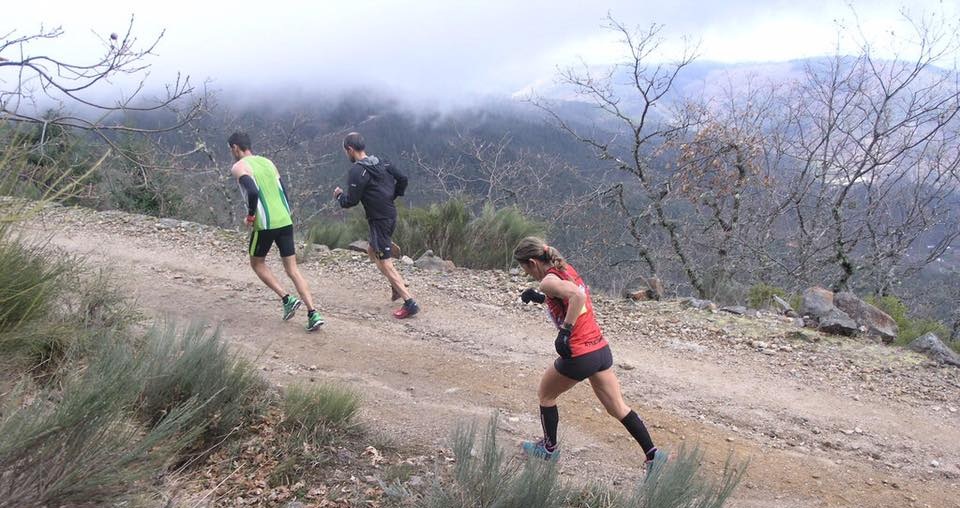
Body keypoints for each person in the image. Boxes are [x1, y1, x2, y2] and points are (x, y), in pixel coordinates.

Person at [514, 236, 665, 471]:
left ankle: (549, 450)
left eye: (525, 268)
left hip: (580, 353)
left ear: (533, 262)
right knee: (617, 407)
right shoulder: (565, 269)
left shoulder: (548, 280)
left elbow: (578, 297)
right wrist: (539, 298)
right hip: (600, 350)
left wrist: (565, 332)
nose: (527, 274)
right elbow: (569, 297)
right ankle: (654, 456)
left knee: (546, 395)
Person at [228, 132, 324, 331]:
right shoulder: (268, 162)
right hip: (284, 219)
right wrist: (286, 211)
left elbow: (252, 191)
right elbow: (283, 189)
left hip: (265, 224)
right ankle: (313, 313)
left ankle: (287, 298)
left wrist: (251, 215)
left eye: (231, 149)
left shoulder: (239, 167)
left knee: (257, 263)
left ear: (236, 148)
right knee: (293, 269)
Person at [334, 132, 420, 319]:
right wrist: (393, 195)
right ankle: (395, 286)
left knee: (386, 262)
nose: (346, 154)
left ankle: (409, 302)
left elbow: (351, 201)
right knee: (372, 251)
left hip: (380, 220)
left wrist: (339, 196)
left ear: (349, 149)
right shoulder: (383, 163)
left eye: (345, 151)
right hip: (388, 215)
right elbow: (403, 178)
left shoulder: (357, 171)